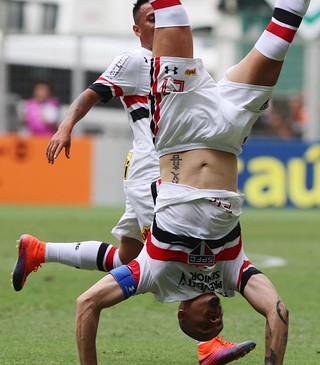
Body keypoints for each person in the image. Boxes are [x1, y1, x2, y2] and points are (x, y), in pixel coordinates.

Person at [12, 1, 255, 364]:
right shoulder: (134, 61)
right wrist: (65, 126)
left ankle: (40, 251)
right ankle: (208, 345)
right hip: (153, 174)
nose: (159, 24)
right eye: (150, 19)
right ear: (137, 29)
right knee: (176, 253)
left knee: (129, 257)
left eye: (161, 16)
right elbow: (91, 93)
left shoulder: (180, 64)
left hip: (160, 170)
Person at [71, 0, 309, 363]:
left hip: (179, 129)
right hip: (231, 133)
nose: (216, 320)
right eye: (219, 324)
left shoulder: (154, 271)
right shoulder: (231, 271)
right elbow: (278, 312)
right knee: (284, 30)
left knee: (172, 12)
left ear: (182, 314)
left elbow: (86, 303)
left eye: (205, 326)